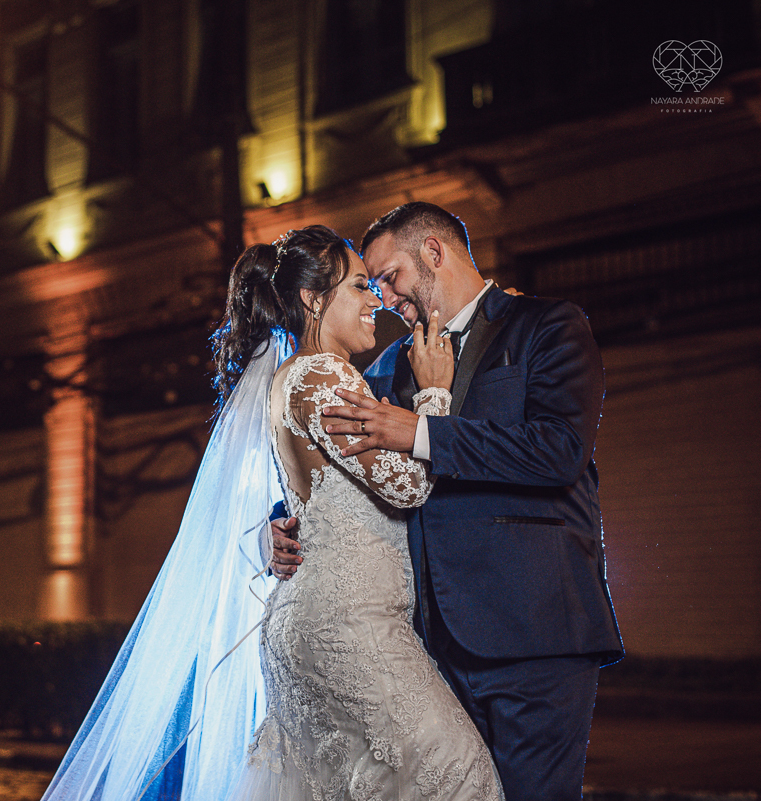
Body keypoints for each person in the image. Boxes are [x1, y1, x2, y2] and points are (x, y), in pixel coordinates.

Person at [274, 203, 623, 801]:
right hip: (430, 643)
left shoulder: (548, 326)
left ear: (434, 253)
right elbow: (334, 464)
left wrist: (423, 432)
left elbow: (559, 451)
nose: (383, 298)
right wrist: (283, 525)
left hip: (534, 632)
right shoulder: (383, 370)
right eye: (372, 284)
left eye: (389, 277)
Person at [220, 225, 501, 800]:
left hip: (322, 617)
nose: (376, 299)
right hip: (347, 623)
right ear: (312, 299)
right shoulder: (322, 374)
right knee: (460, 778)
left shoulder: (299, 379)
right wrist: (433, 396)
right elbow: (407, 487)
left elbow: (323, 492)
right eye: (358, 286)